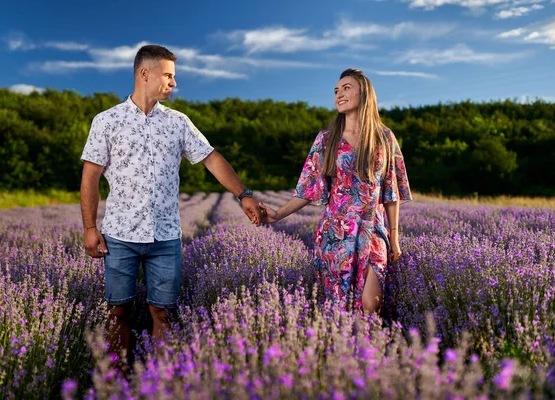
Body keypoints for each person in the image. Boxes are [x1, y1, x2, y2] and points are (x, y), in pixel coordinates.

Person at [79, 44, 264, 368]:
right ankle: (116, 381)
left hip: (165, 238)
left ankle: (160, 382)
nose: (174, 83)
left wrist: (243, 193)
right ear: (144, 74)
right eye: (168, 75)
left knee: (163, 312)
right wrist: (90, 228)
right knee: (117, 310)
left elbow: (212, 159)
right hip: (119, 235)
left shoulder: (178, 122)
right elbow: (90, 176)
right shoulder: (107, 121)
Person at [259, 68, 412, 314]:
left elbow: (391, 190)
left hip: (373, 229)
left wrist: (394, 238)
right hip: (336, 234)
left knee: (371, 304)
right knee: (339, 308)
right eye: (336, 91)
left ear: (364, 93)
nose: (339, 94)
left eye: (346, 88)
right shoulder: (326, 139)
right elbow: (308, 189)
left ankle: (371, 350)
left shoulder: (384, 137)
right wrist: (277, 214)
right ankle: (346, 352)